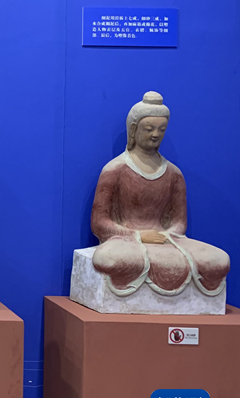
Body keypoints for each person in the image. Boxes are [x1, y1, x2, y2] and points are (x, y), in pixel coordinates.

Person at [91, 91, 229, 296]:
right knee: (110, 259)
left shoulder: (173, 174)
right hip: (127, 242)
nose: (155, 134)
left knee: (219, 260)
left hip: (165, 240)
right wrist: (138, 235)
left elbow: (179, 223)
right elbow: (99, 223)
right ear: (133, 129)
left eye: (161, 129)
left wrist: (168, 234)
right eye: (149, 129)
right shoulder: (115, 170)